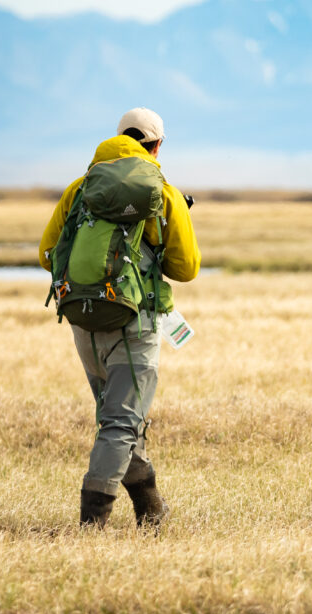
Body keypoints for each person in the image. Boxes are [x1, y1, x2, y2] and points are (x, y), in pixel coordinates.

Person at [38, 108, 201, 529]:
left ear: (117, 140)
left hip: (81, 319)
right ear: (157, 145)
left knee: (118, 420)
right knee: (122, 423)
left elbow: (46, 253)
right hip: (136, 322)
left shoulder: (80, 188)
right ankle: (92, 525)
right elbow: (187, 269)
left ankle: (151, 510)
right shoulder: (161, 192)